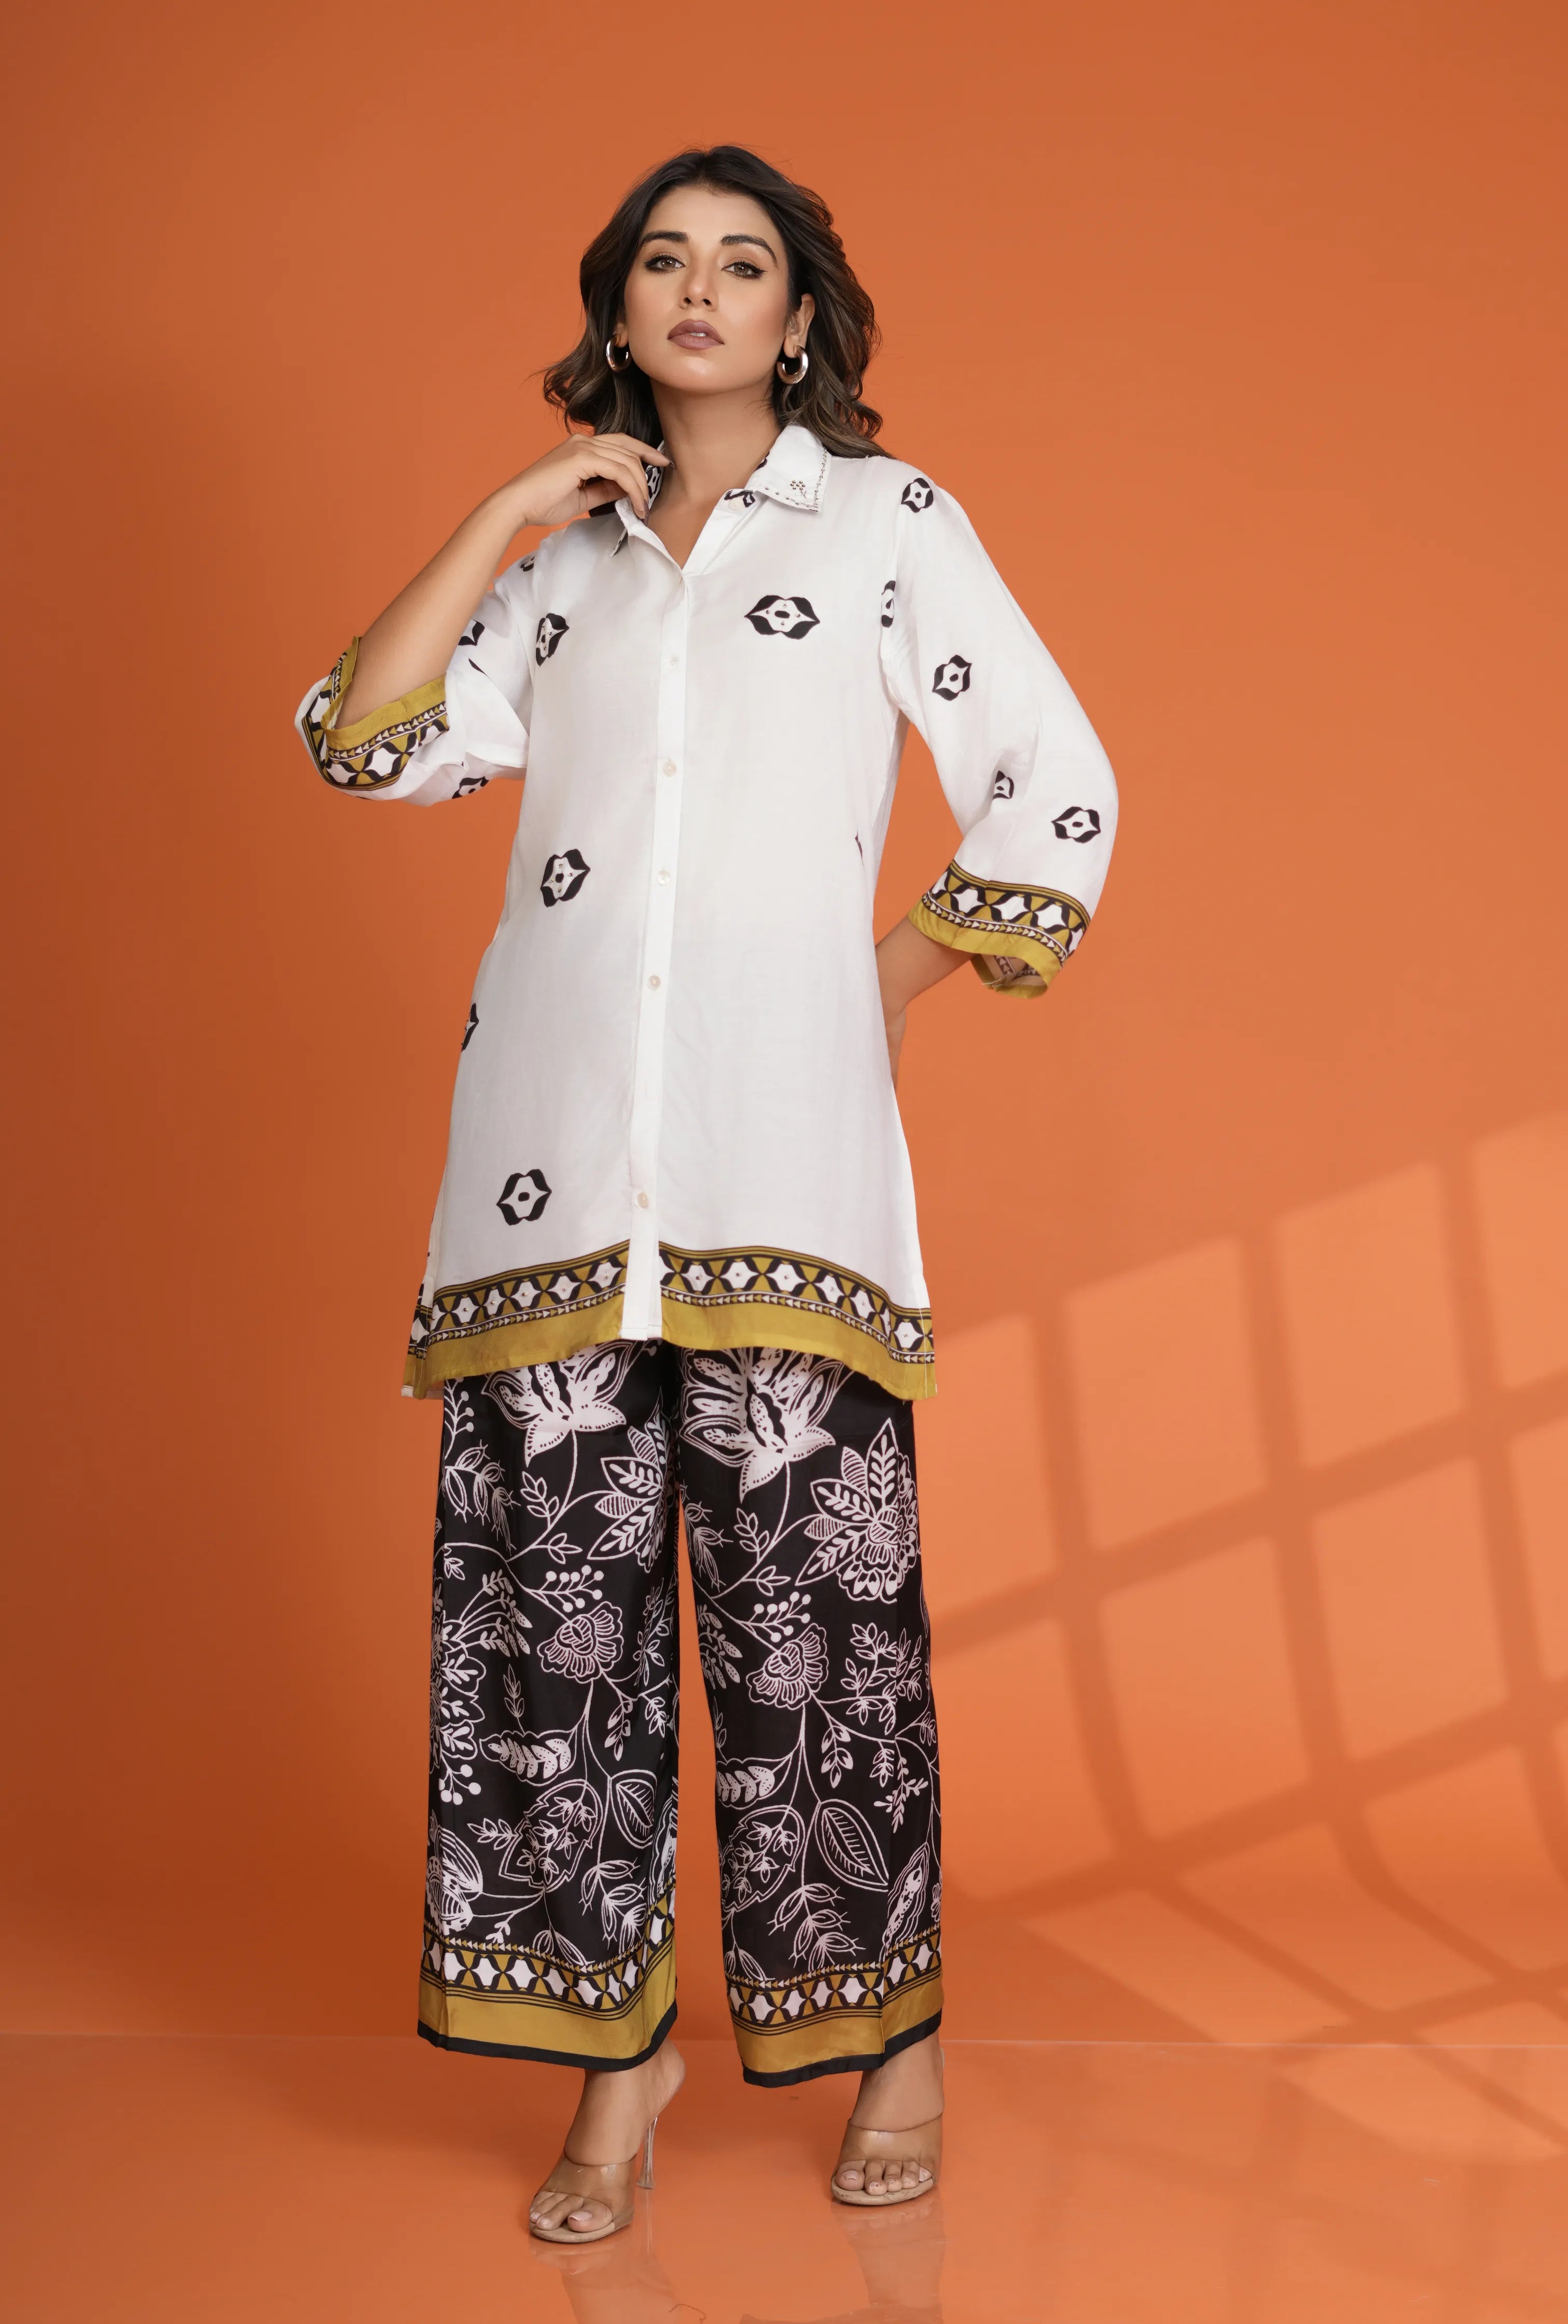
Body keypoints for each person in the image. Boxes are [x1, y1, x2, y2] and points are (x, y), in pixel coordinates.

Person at [295, 143, 1116, 2243]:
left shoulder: (884, 526)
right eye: (662, 259)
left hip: (783, 1173)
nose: (698, 289)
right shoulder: (562, 563)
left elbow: (1057, 784)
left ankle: (896, 2048)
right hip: (549, 1190)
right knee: (547, 1651)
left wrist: (878, 989)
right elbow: (361, 739)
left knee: (817, 1641)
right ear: (618, 308)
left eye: (742, 264)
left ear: (797, 316)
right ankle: (616, 2069)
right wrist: (503, 513)